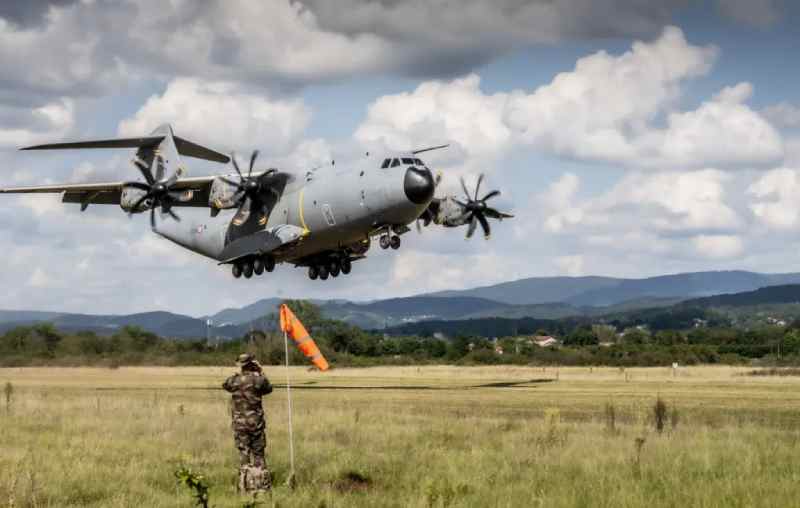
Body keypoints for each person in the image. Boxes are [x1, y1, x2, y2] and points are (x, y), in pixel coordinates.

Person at [223, 353, 273, 492]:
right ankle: (262, 486)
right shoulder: (258, 380)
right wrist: (260, 371)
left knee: (244, 453)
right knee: (259, 454)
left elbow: (225, 385)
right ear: (252, 364)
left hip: (239, 423)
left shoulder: (234, 380)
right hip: (255, 423)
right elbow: (268, 388)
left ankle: (244, 486)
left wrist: (238, 374)